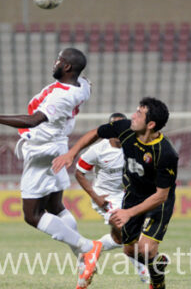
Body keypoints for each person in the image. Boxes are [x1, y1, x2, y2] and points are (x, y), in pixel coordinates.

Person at [0, 48, 102, 286]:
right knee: (54, 205)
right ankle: (83, 260)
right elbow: (85, 81)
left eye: (59, 60)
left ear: (68, 67)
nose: (55, 63)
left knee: (32, 215)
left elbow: (34, 120)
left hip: (43, 152)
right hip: (57, 146)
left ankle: (88, 247)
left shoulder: (61, 97)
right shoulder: (82, 85)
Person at [53, 97, 178, 289]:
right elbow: (96, 132)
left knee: (146, 249)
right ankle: (157, 264)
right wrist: (73, 152)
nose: (133, 116)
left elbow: (161, 195)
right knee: (128, 250)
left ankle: (157, 282)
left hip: (157, 201)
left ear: (151, 124)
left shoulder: (166, 153)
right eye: (136, 110)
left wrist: (128, 213)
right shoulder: (125, 129)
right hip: (132, 195)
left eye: (139, 114)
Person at [75, 112, 149, 284]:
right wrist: (96, 196)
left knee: (120, 238)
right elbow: (79, 173)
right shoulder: (98, 151)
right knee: (126, 229)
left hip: (125, 195)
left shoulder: (132, 145)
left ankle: (89, 250)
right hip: (104, 197)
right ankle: (143, 270)